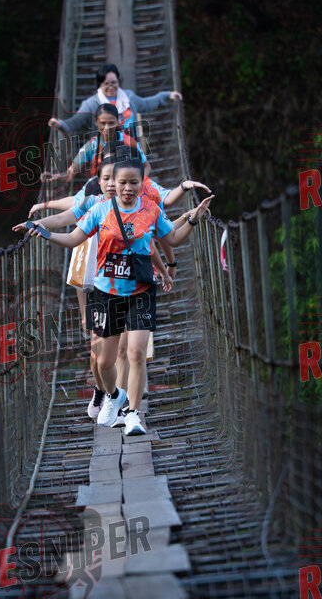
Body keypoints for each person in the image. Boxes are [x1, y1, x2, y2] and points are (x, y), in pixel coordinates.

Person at [27, 157, 213, 435]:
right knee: (104, 362)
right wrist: (45, 233)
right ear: (113, 182)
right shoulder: (99, 210)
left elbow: (172, 238)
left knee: (136, 352)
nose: (127, 188)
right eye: (122, 182)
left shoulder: (151, 210)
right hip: (107, 293)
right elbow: (74, 238)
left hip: (141, 291)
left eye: (133, 182)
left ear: (142, 183)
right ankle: (114, 395)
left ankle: (133, 414)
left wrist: (193, 218)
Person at [48, 63, 182, 139]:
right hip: (105, 154)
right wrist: (62, 125)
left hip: (131, 151)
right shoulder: (91, 103)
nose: (111, 87)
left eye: (114, 82)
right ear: (99, 85)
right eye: (106, 84)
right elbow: (77, 121)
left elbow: (146, 104)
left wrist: (166, 95)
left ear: (119, 81)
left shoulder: (128, 97)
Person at [65, 103, 150, 182]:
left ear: (118, 121)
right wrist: (59, 176)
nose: (107, 127)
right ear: (96, 122)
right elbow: (70, 173)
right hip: (99, 190)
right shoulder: (91, 146)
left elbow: (146, 167)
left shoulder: (129, 142)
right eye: (103, 123)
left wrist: (137, 183)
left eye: (111, 123)